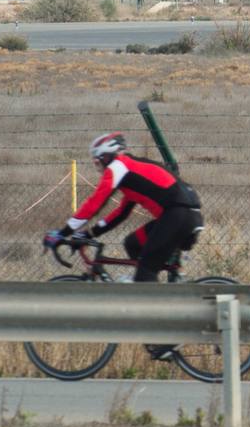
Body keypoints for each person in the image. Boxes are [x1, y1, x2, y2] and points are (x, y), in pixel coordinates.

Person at [43, 132, 204, 360]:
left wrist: (62, 233)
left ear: (108, 156)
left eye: (98, 161)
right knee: (132, 243)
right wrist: (88, 233)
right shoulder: (131, 172)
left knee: (147, 268)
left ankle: (167, 337)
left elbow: (95, 203)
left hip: (177, 215)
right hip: (183, 215)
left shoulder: (118, 168)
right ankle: (153, 291)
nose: (98, 167)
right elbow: (120, 214)